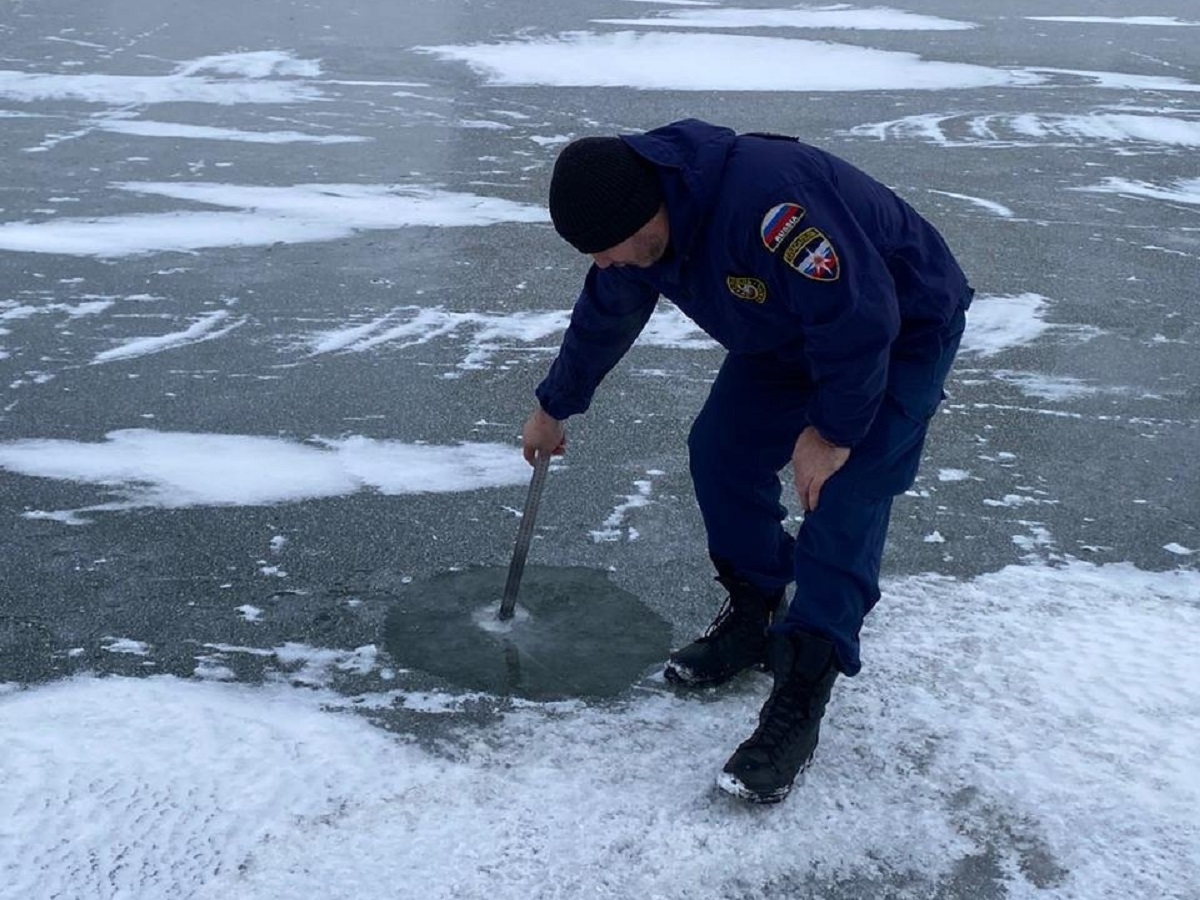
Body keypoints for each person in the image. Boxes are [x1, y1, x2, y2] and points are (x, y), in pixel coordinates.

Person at [521, 119, 971, 804]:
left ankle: (804, 681)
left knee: (845, 492)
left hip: (898, 327)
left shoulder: (769, 208)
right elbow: (606, 308)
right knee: (721, 451)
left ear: (646, 217)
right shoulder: (642, 236)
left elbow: (861, 317)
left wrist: (833, 429)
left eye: (604, 248)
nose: (604, 262)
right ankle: (757, 605)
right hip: (793, 329)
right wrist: (555, 405)